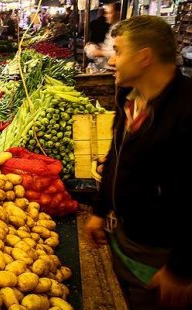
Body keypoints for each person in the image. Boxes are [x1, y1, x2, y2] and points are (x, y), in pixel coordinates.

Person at [85, 16, 192, 310]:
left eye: (118, 51)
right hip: (124, 237)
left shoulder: (185, 111)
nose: (112, 59)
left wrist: (179, 270)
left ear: (144, 57)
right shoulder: (129, 97)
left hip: (162, 258)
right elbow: (116, 153)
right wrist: (100, 208)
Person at [85, 2, 120, 70]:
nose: (105, 15)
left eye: (109, 13)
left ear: (118, 13)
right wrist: (97, 48)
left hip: (113, 70)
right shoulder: (113, 27)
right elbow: (110, 47)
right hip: (107, 67)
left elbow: (117, 53)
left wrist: (98, 52)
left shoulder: (120, 29)